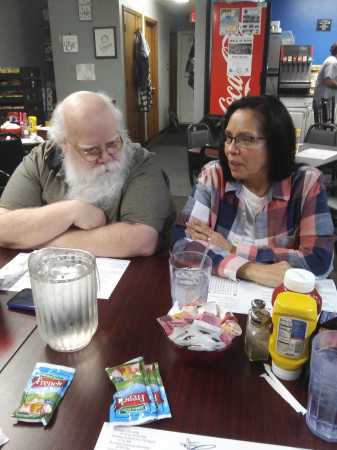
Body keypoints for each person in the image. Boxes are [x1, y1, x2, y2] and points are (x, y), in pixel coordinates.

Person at [173, 95, 335, 288]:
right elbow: (182, 243)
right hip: (222, 301)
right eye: (229, 137)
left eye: (246, 139)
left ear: (276, 143)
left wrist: (232, 249)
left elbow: (319, 261)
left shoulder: (306, 184)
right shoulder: (214, 176)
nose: (231, 149)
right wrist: (249, 269)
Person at [0, 91, 173, 257]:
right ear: (64, 146)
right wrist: (70, 211)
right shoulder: (41, 159)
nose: (106, 157)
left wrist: (38, 239)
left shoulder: (141, 162)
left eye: (113, 143)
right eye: (92, 151)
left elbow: (141, 240)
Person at [313, 42, 337, 118]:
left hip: (325, 102)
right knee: (324, 128)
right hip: (323, 103)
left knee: (325, 128)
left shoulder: (332, 61)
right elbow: (328, 81)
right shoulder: (332, 62)